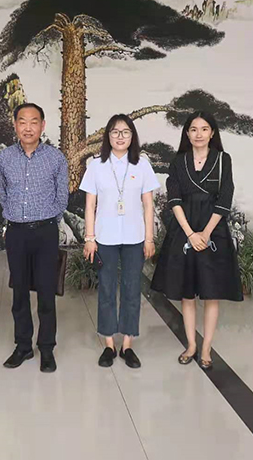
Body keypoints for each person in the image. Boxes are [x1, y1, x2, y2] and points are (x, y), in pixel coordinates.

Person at [151, 111, 243, 370]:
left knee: (211, 294)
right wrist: (191, 234)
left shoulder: (223, 160)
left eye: (204, 129)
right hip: (184, 229)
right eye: (193, 129)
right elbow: (174, 199)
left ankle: (206, 348)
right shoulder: (178, 161)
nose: (199, 134)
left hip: (214, 231)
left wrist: (205, 233)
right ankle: (191, 345)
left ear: (212, 133)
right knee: (187, 293)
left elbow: (225, 198)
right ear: (187, 133)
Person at [80, 114, 160, 369]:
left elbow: (148, 205)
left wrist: (149, 238)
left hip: (135, 238)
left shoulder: (142, 165)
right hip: (105, 237)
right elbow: (90, 205)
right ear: (108, 136)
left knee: (131, 289)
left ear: (132, 136)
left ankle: (127, 344)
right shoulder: (96, 166)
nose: (120, 136)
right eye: (115, 132)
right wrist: (89, 238)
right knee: (106, 289)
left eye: (125, 132)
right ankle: (108, 344)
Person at [0, 103, 69, 373]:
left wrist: (47, 220)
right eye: (22, 121)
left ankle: (47, 348)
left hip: (45, 231)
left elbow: (62, 197)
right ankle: (23, 346)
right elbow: (2, 193)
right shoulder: (5, 157)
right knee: (19, 292)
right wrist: (15, 216)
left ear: (42, 125)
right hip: (16, 232)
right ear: (15, 124)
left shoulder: (55, 158)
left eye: (34, 122)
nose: (28, 127)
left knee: (46, 292)